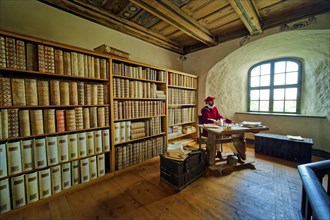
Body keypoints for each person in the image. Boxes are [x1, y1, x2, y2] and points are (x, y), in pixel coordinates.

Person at [201, 96, 244, 163]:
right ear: (207, 102)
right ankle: (216, 154)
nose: (213, 102)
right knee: (217, 137)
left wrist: (231, 121)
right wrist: (214, 122)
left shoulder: (215, 108)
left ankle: (234, 154)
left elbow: (220, 117)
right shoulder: (204, 110)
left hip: (217, 128)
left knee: (225, 137)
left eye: (213, 101)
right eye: (211, 101)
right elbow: (207, 120)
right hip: (209, 130)